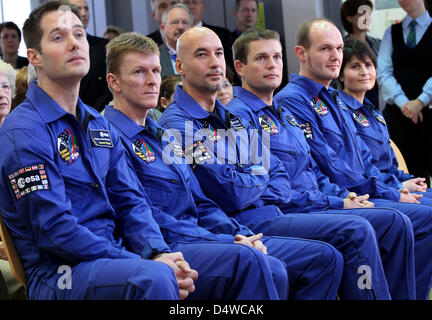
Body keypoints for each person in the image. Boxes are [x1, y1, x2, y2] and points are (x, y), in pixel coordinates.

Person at [158, 26, 400, 300]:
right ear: (179, 65)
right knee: (348, 237)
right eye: (202, 55)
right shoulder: (177, 124)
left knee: (331, 254)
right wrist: (254, 176)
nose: (214, 63)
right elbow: (229, 189)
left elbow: (274, 172)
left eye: (218, 53)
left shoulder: (230, 118)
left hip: (266, 212)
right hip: (240, 221)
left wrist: (252, 175)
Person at [104, 31, 346, 300]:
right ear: (114, 81)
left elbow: (203, 201)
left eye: (155, 71)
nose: (152, 81)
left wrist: (236, 233)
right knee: (263, 261)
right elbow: (224, 191)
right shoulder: (161, 129)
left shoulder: (164, 134)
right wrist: (228, 236)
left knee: (309, 260)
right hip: (171, 242)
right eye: (139, 72)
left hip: (225, 225)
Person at [0, 0, 191, 300]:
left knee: (226, 265)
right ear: (34, 56)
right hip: (59, 273)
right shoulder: (23, 130)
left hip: (113, 256)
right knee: (153, 278)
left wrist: (157, 252)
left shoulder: (97, 124)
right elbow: (54, 231)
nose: (75, 44)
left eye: (79, 34)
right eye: (59, 37)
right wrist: (139, 262)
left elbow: (131, 202)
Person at [227, 28, 417, 300]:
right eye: (261, 58)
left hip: (309, 202)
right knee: (363, 228)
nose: (272, 65)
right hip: (278, 213)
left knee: (393, 220)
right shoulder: (239, 116)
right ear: (240, 67)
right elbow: (272, 190)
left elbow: (313, 170)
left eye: (277, 57)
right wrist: (337, 203)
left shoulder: (280, 113)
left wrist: (343, 196)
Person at [274, 18, 432, 299]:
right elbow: (329, 165)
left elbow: (364, 159)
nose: (335, 56)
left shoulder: (333, 97)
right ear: (301, 54)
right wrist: (391, 192)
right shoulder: (293, 100)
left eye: (338, 48)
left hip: (361, 191)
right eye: (325, 49)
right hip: (334, 197)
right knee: (417, 218)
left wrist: (395, 186)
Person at [377, 0, 432, 185]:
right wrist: (405, 104)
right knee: (401, 170)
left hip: (429, 112)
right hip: (398, 115)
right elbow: (383, 72)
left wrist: (421, 101)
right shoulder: (391, 33)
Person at [69, 0, 112, 112]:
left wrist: (90, 114)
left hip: (99, 115)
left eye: (86, 8)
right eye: (78, 8)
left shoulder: (105, 46)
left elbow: (109, 87)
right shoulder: (59, 48)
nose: (84, 13)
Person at [340, 0, 381, 108]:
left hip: (378, 101)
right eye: (362, 14)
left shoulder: (379, 44)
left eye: (369, 14)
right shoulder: (340, 48)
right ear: (349, 18)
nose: (367, 19)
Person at [180, 0, 235, 80]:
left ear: (203, 7)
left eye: (195, 2)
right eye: (187, 2)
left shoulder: (223, 35)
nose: (191, 6)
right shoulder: (175, 36)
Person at [159, 4, 192, 78]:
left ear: (191, 28)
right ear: (163, 28)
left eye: (185, 22)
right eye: (175, 22)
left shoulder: (199, 55)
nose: (180, 27)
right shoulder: (155, 56)